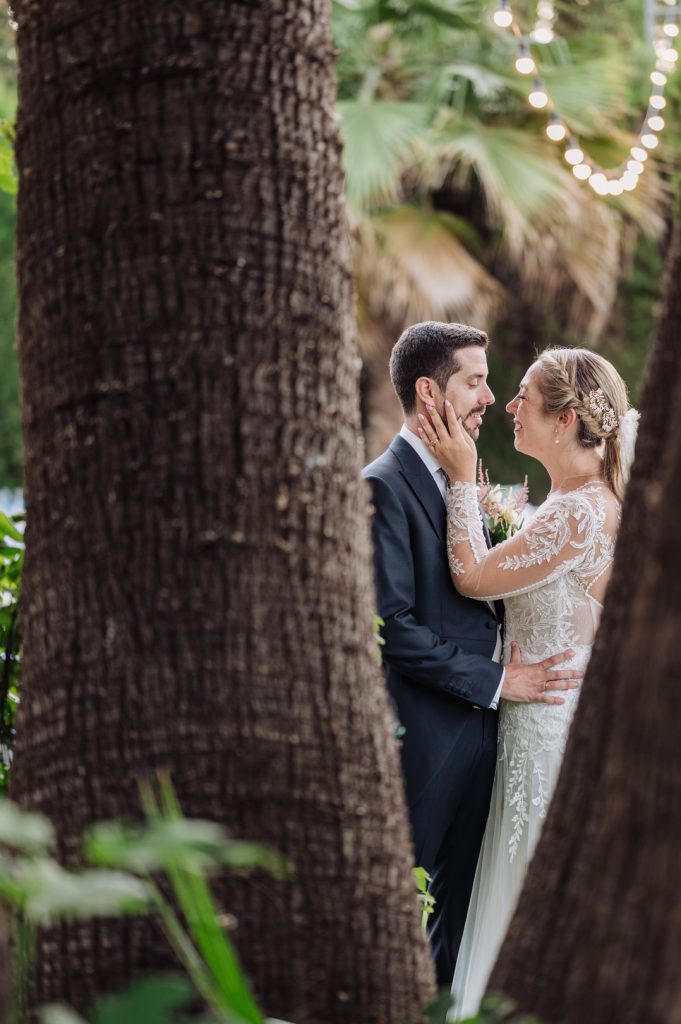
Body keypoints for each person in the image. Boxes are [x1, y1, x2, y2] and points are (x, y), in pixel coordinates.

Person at [415, 346, 638, 1017]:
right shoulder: (574, 503)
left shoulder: (576, 513)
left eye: (522, 398)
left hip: (542, 729)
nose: (509, 409)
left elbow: (473, 577)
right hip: (540, 720)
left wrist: (458, 481)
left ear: (564, 420)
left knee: (519, 901)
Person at [362, 322, 582, 988]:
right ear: (429, 392)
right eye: (474, 381)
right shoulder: (381, 485)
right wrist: (497, 681)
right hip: (429, 738)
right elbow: (391, 625)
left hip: (500, 737)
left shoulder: (472, 482)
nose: (488, 397)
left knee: (464, 923)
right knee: (409, 915)